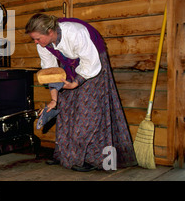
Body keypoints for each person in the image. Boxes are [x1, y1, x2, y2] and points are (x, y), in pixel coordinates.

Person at [25, 13, 137, 171]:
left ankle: (92, 159)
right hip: (71, 65)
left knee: (88, 111)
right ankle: (66, 155)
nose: (36, 42)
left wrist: (76, 83)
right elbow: (51, 72)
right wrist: (54, 100)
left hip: (93, 64)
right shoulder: (43, 45)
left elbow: (90, 63)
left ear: (50, 32)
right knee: (65, 108)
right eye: (34, 39)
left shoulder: (75, 33)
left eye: (38, 38)